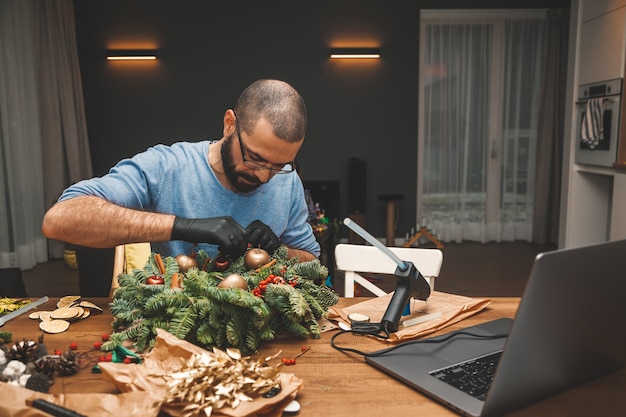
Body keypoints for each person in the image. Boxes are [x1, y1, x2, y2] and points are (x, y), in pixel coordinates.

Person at [42, 79, 320, 263]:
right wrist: (183, 227)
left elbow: (312, 262)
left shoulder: (288, 182)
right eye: (255, 159)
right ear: (229, 124)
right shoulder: (167, 166)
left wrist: (279, 252)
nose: (263, 176)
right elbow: (59, 219)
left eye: (278, 166)